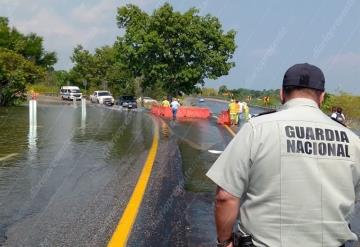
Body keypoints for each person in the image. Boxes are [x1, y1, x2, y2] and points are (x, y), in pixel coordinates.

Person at [206, 63, 360, 247]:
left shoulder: (257, 129)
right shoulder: (352, 140)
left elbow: (225, 197)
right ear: (322, 97)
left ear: (281, 94)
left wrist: (225, 242)